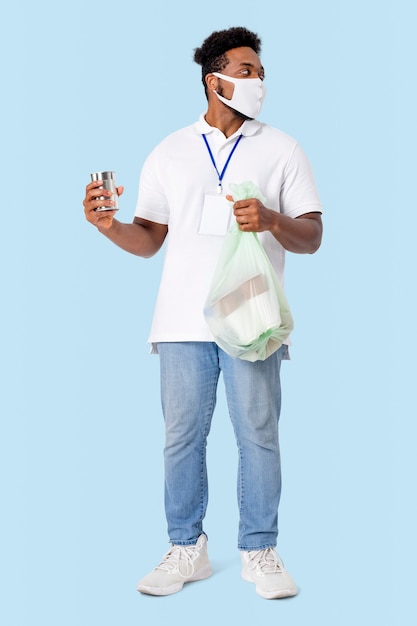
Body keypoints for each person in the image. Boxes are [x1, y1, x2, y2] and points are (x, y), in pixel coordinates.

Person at [83, 26, 322, 599]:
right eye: (246, 71)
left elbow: (312, 235)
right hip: (181, 321)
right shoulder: (169, 150)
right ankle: (185, 548)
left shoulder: (282, 147)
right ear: (213, 80)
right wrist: (109, 226)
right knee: (181, 438)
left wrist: (271, 221)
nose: (258, 81)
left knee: (259, 435)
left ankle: (260, 550)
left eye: (261, 72)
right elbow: (149, 238)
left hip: (253, 319)